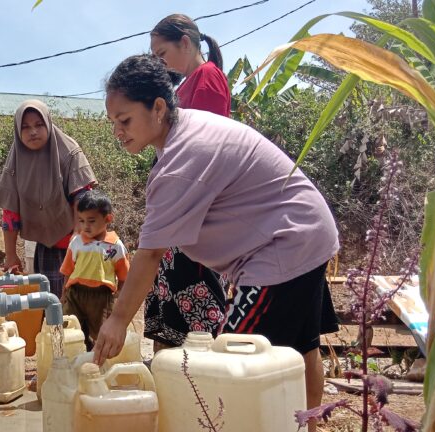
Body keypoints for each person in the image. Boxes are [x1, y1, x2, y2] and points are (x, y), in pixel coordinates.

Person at [94, 54, 339, 431]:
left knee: (232, 365)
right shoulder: (188, 127)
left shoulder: (180, 159)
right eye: (112, 123)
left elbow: (151, 254)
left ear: (158, 107)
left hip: (281, 246)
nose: (117, 132)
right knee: (300, 349)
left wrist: (118, 320)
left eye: (124, 120)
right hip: (308, 229)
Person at [143, 13, 231, 350]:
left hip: (192, 211)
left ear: (184, 42)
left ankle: (197, 386)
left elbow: (204, 153)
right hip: (180, 211)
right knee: (172, 313)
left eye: (162, 53)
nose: (160, 62)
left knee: (196, 318)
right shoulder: (189, 83)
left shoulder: (207, 78)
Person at [0, 100, 97, 299]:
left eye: (39, 125)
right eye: (25, 127)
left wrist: (78, 237)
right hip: (45, 245)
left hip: (76, 243)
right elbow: (10, 211)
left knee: (79, 306)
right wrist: (11, 254)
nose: (33, 132)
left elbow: (83, 197)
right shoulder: (16, 160)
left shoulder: (69, 151)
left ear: (48, 123)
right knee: (50, 305)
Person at [59, 190, 130, 350]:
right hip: (75, 294)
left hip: (101, 297)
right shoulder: (76, 242)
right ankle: (74, 362)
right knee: (71, 330)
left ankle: (95, 366)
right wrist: (64, 293)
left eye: (91, 221)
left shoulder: (115, 246)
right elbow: (68, 270)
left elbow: (124, 275)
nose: (85, 226)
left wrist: (119, 295)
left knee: (99, 334)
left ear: (108, 219)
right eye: (81, 221)